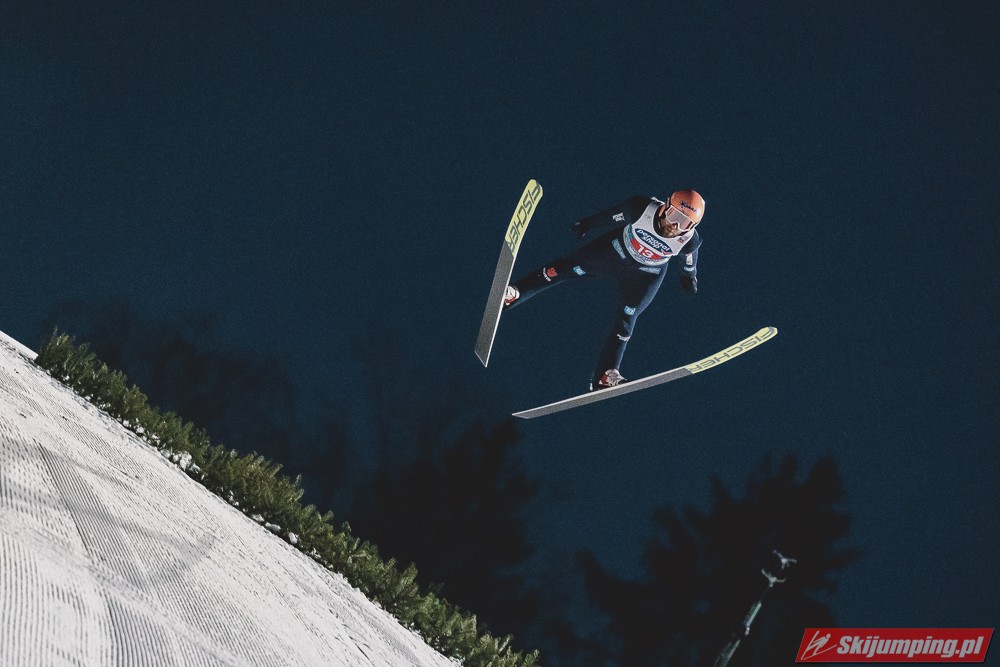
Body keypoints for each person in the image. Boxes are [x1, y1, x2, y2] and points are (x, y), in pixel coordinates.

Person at [503, 189, 705, 390]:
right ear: (665, 206)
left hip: (645, 276)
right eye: (674, 216)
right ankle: (516, 293)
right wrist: (587, 224)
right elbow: (611, 216)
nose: (675, 226)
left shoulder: (689, 240)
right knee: (565, 268)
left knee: (627, 319)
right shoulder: (641, 209)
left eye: (685, 224)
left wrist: (689, 276)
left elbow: (689, 259)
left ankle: (606, 374)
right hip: (614, 252)